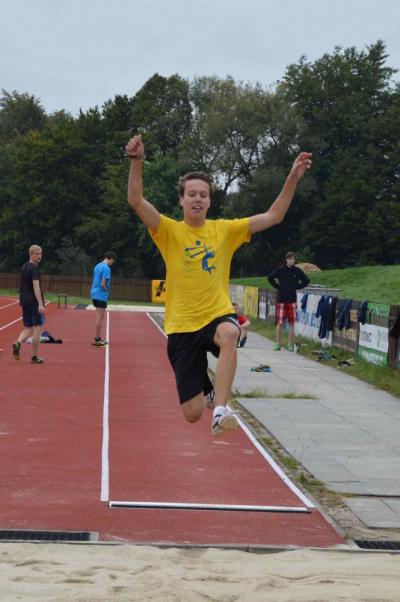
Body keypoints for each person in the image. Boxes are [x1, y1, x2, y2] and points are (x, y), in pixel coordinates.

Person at [126, 134, 312, 435]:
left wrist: (292, 177)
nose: (198, 199)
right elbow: (135, 200)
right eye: (192, 194)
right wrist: (136, 161)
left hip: (215, 316)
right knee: (192, 413)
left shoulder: (225, 231)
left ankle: (222, 408)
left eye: (203, 194)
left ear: (210, 200)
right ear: (182, 200)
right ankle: (209, 393)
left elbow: (274, 216)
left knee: (230, 332)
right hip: (181, 327)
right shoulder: (168, 231)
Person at [267, 251, 310, 351]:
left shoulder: (298, 271)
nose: (291, 261)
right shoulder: (280, 270)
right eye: (290, 259)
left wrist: (297, 287)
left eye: (293, 259)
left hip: (292, 300)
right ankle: (278, 344)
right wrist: (278, 287)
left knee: (291, 323)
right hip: (281, 300)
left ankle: (290, 344)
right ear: (286, 260)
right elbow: (269, 278)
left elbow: (307, 281)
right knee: (280, 323)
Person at [12, 245, 45, 364]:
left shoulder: (24, 266)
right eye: (36, 254)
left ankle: (18, 343)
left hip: (24, 300)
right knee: (37, 328)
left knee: (28, 327)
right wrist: (40, 304)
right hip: (33, 302)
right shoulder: (34, 268)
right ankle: (35, 357)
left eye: (40, 254)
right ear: (31, 254)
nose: (39, 256)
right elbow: (36, 287)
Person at [90, 251, 117, 347]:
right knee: (99, 317)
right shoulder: (106, 268)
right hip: (101, 295)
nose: (112, 263)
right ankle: (97, 339)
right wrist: (108, 291)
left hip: (94, 293)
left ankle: (98, 338)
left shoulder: (97, 266)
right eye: (112, 261)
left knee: (100, 316)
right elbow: (102, 284)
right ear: (111, 258)